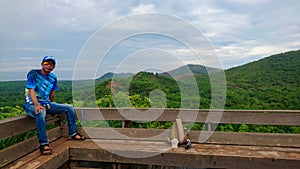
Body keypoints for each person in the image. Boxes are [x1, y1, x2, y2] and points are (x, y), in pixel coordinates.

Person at [23, 56, 85, 155]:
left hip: (46, 103)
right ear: (42, 64)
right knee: (41, 111)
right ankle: (43, 144)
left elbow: (52, 93)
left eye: (51, 64)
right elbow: (31, 90)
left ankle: (72, 133)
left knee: (69, 108)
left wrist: (53, 107)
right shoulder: (33, 73)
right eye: (46, 63)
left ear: (54, 67)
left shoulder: (53, 77)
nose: (49, 66)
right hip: (31, 104)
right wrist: (37, 105)